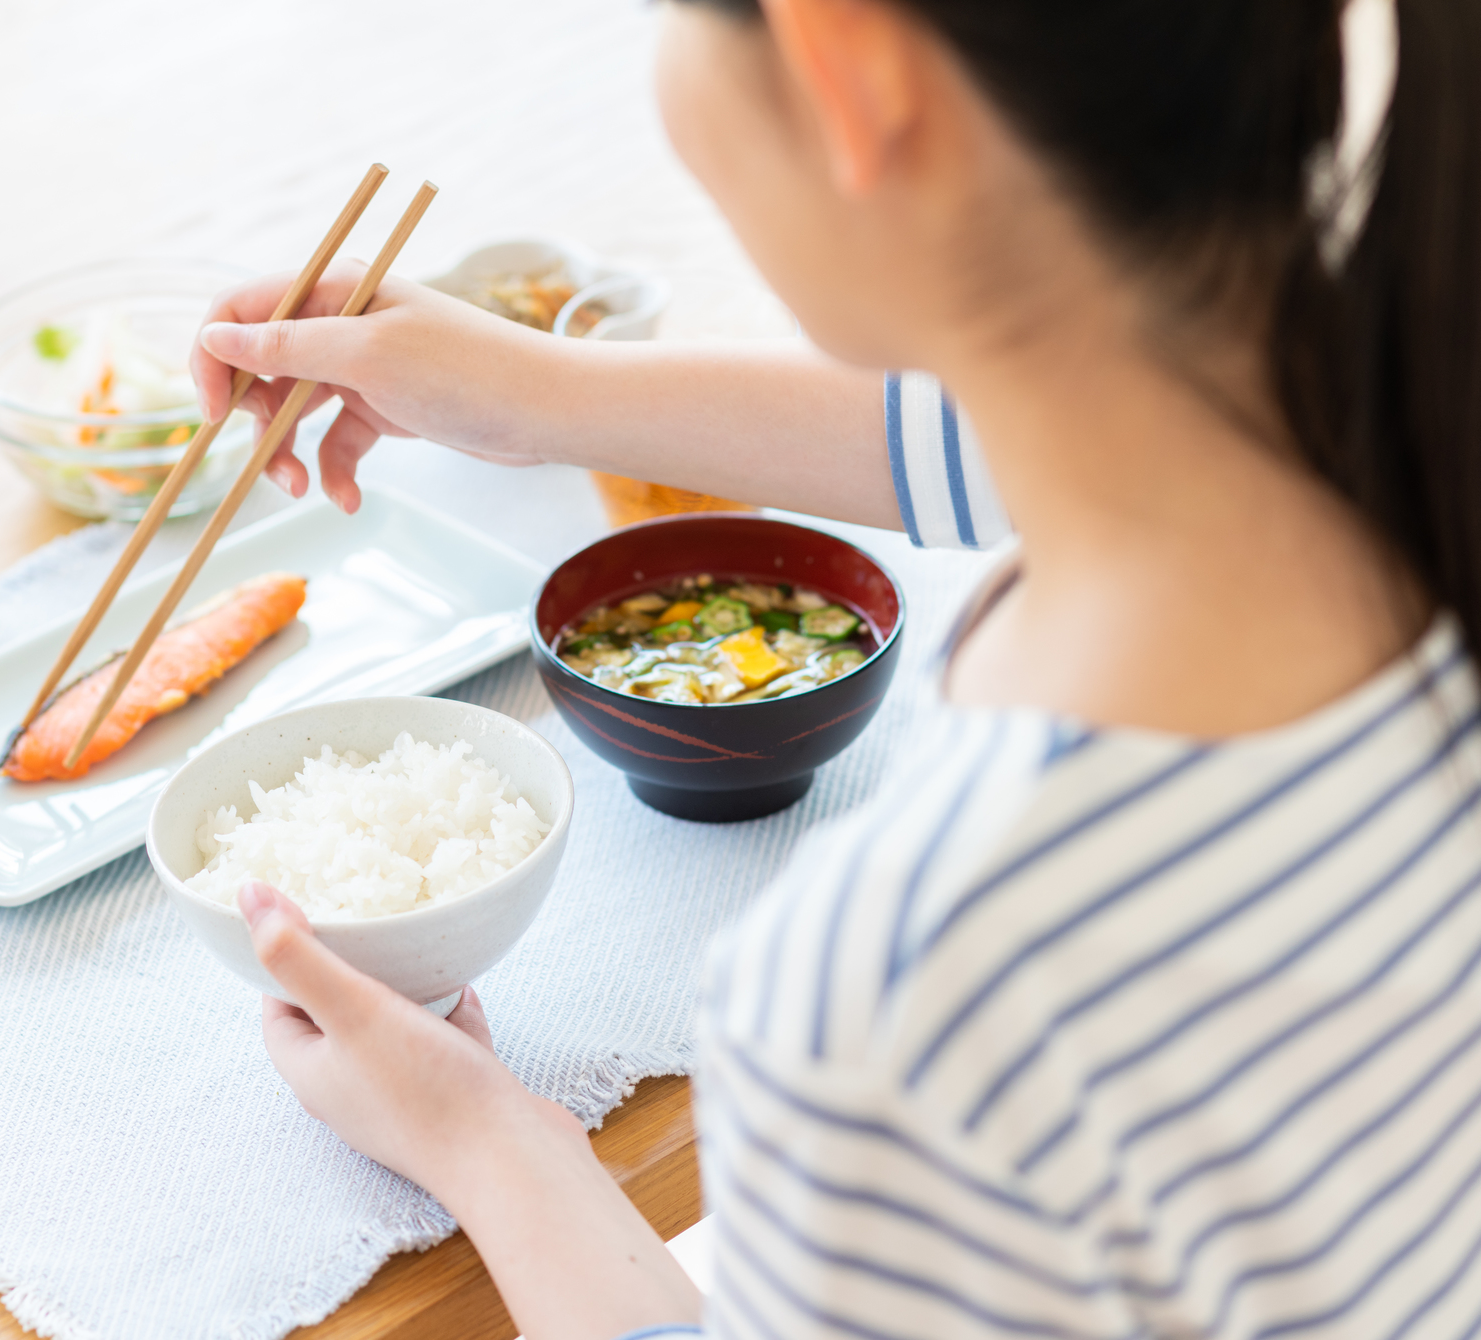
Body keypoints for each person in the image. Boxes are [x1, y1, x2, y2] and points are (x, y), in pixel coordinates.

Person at [189, 0, 1481, 1335]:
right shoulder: (1411, 415)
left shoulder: (897, 992)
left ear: (848, 70)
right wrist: (543, 395)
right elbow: (995, 431)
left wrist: (486, 1143)